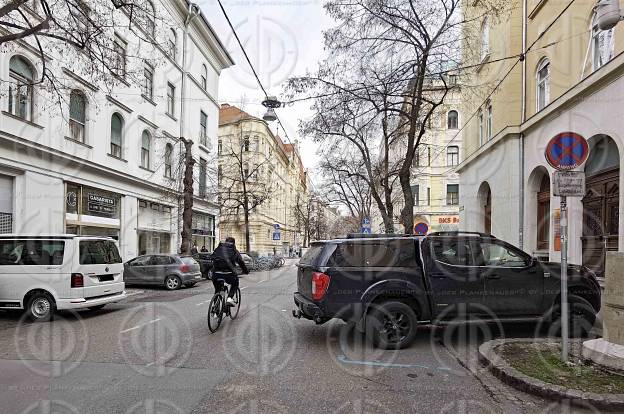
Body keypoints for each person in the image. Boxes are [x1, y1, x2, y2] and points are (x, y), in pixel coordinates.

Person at [210, 237, 249, 306]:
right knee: (235, 283)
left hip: (216, 274)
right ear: (233, 243)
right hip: (229, 274)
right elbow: (241, 262)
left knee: (217, 290)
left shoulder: (218, 248)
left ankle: (216, 310)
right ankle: (229, 298)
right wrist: (245, 271)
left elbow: (212, 258)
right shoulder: (234, 250)